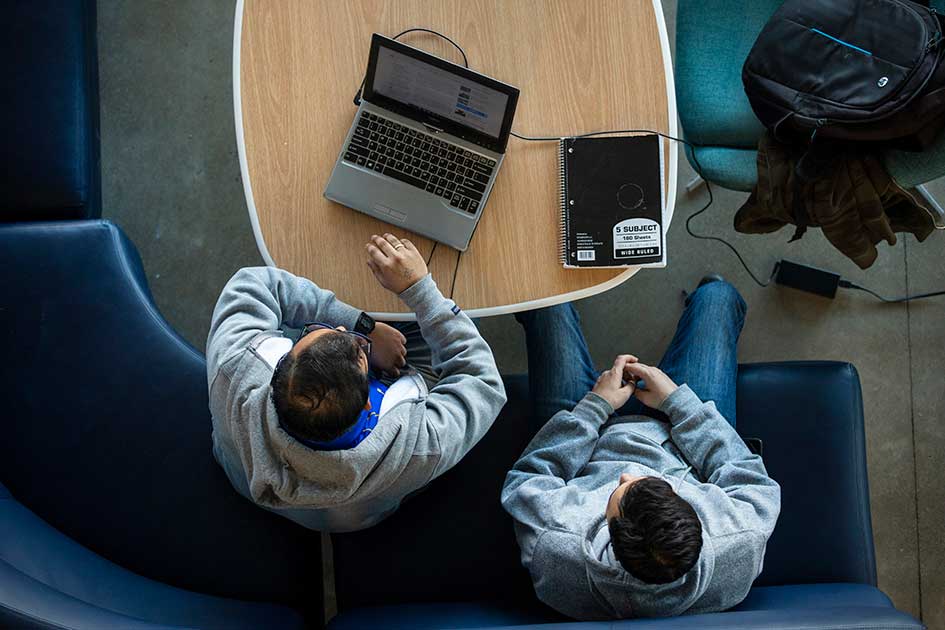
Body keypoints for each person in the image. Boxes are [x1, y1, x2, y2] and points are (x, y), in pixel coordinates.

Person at [501, 277, 781, 619]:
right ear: (690, 512)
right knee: (718, 297)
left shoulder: (559, 542)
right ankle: (707, 293)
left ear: (613, 537)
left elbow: (529, 476)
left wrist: (596, 406)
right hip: (681, 437)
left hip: (587, 438)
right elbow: (749, 478)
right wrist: (679, 404)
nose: (625, 474)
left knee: (546, 300)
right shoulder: (738, 538)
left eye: (616, 493)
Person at [207, 232, 506, 532]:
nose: (343, 329)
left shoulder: (235, 364)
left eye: (321, 330)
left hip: (242, 476)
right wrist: (420, 290)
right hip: (359, 509)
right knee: (464, 300)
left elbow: (254, 283)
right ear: (367, 402)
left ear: (278, 371)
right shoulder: (416, 451)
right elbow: (483, 380)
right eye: (360, 348)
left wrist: (364, 326)